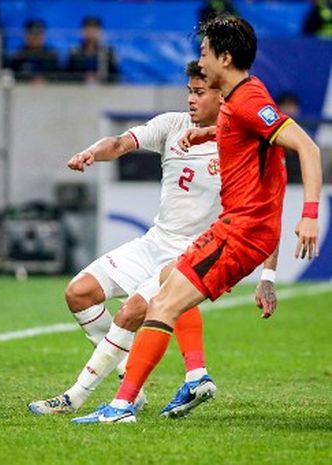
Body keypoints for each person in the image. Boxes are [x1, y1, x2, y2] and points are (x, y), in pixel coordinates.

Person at [90, 15, 321, 424]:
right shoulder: (241, 96)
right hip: (237, 227)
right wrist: (209, 134)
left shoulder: (249, 101)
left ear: (225, 57)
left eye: (204, 51)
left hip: (242, 230)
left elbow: (307, 147)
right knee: (166, 282)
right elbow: (248, 135)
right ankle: (194, 376)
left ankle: (122, 406)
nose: (200, 58)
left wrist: (309, 215)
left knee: (162, 305)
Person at [28, 60, 278, 418]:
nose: (191, 99)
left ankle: (75, 397)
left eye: (199, 92)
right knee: (78, 292)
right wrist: (91, 153)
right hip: (154, 242)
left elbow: (267, 213)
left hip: (190, 255)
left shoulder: (239, 145)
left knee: (130, 312)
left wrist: (267, 276)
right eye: (189, 91)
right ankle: (132, 373)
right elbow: (118, 143)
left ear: (222, 96)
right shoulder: (171, 125)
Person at [65, 16, 120, 83]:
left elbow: (115, 76)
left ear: (101, 32)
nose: (91, 32)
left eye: (95, 29)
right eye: (87, 29)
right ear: (82, 31)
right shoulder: (73, 52)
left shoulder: (108, 52)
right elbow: (67, 76)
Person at [6, 19, 61, 84]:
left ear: (44, 35)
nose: (36, 37)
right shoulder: (17, 57)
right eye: (33, 34)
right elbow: (9, 77)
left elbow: (61, 77)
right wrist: (28, 80)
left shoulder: (52, 57)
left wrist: (45, 80)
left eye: (39, 34)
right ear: (26, 35)